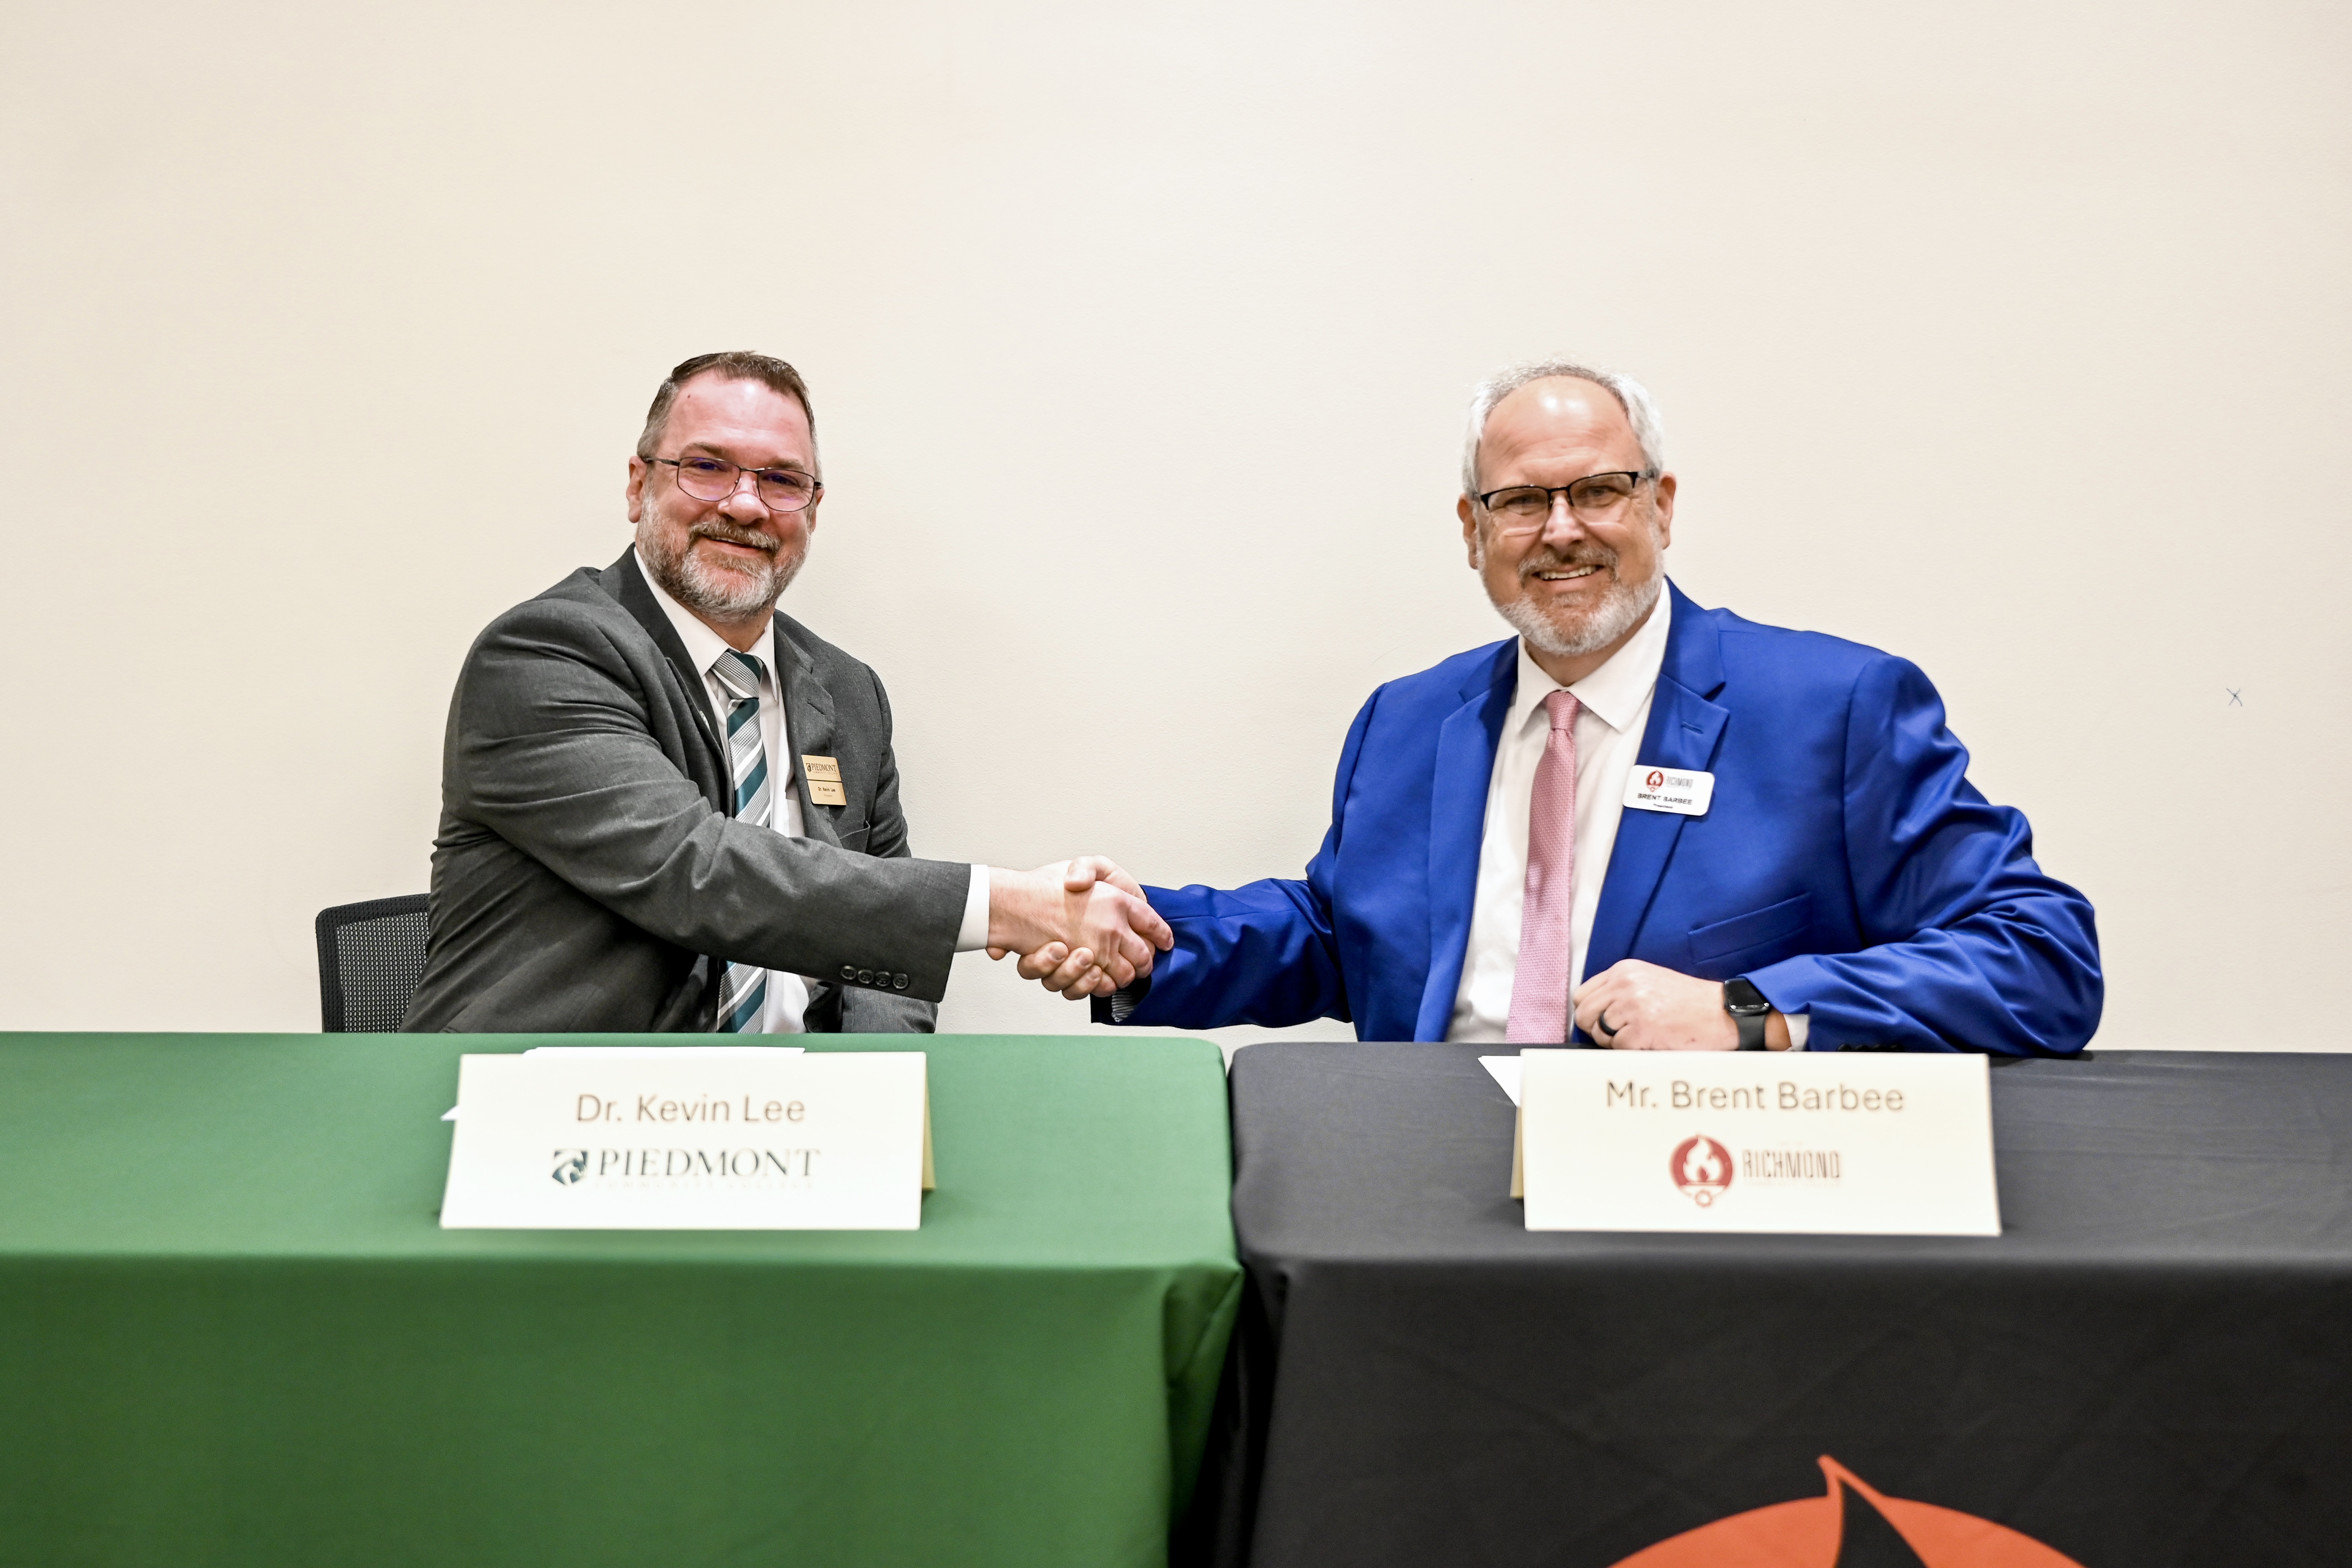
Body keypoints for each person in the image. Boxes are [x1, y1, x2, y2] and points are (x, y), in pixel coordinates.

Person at [1015, 359, 2100, 1053]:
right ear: (1473, 529)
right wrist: (1148, 938)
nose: (1561, 528)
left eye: (1598, 490)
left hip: (1692, 1220)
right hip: (1422, 1197)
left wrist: (1749, 1012)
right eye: (1522, 500)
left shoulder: (1836, 710)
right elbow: (1343, 939)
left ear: (1662, 506)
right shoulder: (1407, 720)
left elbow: (2042, 954)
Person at [404, 351, 1166, 1033]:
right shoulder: (547, 654)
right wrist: (1013, 908)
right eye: (707, 467)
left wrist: (878, 1098)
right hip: (558, 1127)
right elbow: (700, 874)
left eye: (781, 480)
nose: (744, 505)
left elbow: (879, 949)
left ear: (812, 508)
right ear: (639, 486)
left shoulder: (847, 692)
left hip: (796, 1133)